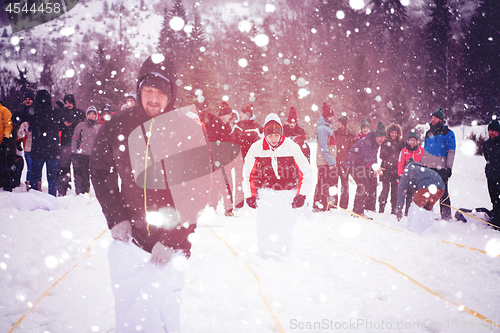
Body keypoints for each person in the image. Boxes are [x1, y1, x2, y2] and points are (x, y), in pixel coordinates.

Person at [91, 54, 210, 333]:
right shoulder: (116, 127)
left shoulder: (187, 130)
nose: (153, 98)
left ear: (171, 96)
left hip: (172, 247)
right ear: (138, 91)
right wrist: (116, 217)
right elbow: (100, 171)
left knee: (164, 313)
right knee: (131, 315)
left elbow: (196, 192)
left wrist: (170, 239)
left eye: (161, 92)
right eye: (148, 91)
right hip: (131, 240)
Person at [243, 113, 312, 258]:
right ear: (265, 135)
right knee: (264, 226)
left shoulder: (292, 147)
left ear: (281, 133)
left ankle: (284, 252)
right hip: (266, 195)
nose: (273, 139)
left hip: (287, 196)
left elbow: (306, 171)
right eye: (270, 136)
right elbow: (249, 174)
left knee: (284, 228)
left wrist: (302, 194)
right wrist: (250, 195)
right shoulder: (256, 148)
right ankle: (264, 250)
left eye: (276, 135)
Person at [15, 90, 66, 196]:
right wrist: (63, 107)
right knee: (52, 178)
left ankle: (35, 199)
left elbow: (16, 117)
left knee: (35, 177)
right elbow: (70, 118)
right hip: (53, 148)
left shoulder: (34, 111)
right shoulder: (55, 112)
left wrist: (25, 109)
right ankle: (52, 199)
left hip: (38, 149)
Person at [420, 108, 456, 221]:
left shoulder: (448, 133)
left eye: (435, 118)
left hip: (441, 168)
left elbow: (451, 151)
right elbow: (425, 149)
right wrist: (422, 164)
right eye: (432, 117)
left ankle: (446, 217)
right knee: (428, 192)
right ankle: (427, 214)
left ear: (441, 119)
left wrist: (449, 167)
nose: (433, 119)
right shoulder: (428, 133)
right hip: (428, 167)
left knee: (443, 192)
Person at [345, 122, 386, 218]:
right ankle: (357, 211)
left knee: (363, 185)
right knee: (363, 185)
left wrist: (375, 169)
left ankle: (357, 210)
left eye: (383, 137)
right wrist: (375, 166)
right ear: (376, 136)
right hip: (353, 163)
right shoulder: (367, 141)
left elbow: (374, 156)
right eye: (380, 136)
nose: (382, 139)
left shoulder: (375, 143)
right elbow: (368, 155)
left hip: (358, 164)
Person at [395, 161, 445, 235]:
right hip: (441, 188)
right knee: (426, 209)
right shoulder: (422, 170)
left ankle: (413, 231)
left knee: (415, 208)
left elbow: (401, 189)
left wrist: (399, 208)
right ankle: (427, 230)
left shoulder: (408, 170)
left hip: (427, 187)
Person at [205, 101, 236, 216]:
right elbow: (211, 144)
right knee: (221, 184)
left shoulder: (226, 126)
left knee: (224, 184)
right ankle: (217, 208)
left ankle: (218, 207)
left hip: (225, 160)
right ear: (224, 115)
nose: (230, 118)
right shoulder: (215, 125)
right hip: (217, 160)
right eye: (229, 115)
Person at [57, 93, 86, 196]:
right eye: (66, 103)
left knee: (78, 169)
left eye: (70, 102)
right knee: (64, 169)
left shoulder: (80, 113)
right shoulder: (61, 113)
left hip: (77, 145)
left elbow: (84, 125)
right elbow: (57, 126)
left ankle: (80, 192)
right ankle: (62, 191)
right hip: (65, 145)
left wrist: (72, 122)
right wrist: (63, 124)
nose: (68, 104)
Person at [71, 106, 101, 195]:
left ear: (96, 116)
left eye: (93, 114)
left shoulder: (99, 127)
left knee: (96, 175)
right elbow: (75, 138)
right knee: (83, 175)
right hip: (83, 154)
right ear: (87, 115)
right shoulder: (81, 125)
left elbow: (103, 141)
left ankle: (98, 192)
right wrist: (74, 151)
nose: (91, 116)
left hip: (94, 155)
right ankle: (84, 192)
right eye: (89, 114)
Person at [313, 102, 337, 212]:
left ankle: (323, 205)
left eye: (332, 116)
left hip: (327, 161)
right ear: (325, 117)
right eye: (330, 116)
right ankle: (318, 205)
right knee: (322, 183)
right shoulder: (322, 129)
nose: (332, 118)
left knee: (325, 183)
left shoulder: (328, 128)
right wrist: (331, 162)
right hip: (324, 162)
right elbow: (323, 148)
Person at [378, 123, 404, 215]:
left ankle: (394, 209)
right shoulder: (385, 142)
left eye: (395, 133)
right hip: (386, 168)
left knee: (395, 191)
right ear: (389, 133)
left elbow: (403, 155)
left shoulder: (401, 143)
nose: (393, 135)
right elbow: (381, 155)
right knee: (385, 190)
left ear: (398, 133)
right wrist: (391, 158)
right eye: (392, 133)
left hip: (396, 170)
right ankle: (381, 208)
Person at [397, 131, 424, 216]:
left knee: (415, 194)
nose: (412, 142)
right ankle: (406, 212)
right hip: (406, 176)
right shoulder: (404, 151)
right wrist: (400, 175)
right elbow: (400, 163)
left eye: (414, 140)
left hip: (417, 176)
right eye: (411, 140)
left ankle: (416, 212)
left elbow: (424, 163)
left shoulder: (421, 151)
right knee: (407, 194)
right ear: (408, 141)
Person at [14, 92, 34, 191]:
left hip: (35, 142)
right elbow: (19, 128)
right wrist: (18, 141)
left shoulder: (35, 110)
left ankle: (34, 184)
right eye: (26, 99)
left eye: (29, 99)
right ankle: (29, 184)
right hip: (26, 142)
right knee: (30, 166)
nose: (27, 101)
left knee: (34, 167)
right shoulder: (21, 112)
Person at [334, 115, 355, 209]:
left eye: (340, 122)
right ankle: (332, 204)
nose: (337, 123)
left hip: (344, 164)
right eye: (337, 122)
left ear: (344, 124)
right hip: (334, 163)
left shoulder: (350, 135)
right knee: (333, 184)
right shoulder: (333, 133)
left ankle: (344, 205)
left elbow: (351, 150)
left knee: (345, 185)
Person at [483, 118, 500, 229]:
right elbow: (486, 157)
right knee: (493, 198)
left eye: (494, 131)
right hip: (491, 175)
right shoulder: (487, 143)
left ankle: (498, 221)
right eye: (490, 130)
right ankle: (496, 216)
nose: (492, 133)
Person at [0, 100, 13, 192]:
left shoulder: (4, 110)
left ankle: (7, 186)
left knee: (2, 165)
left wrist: (6, 138)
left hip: (1, 142)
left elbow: (8, 125)